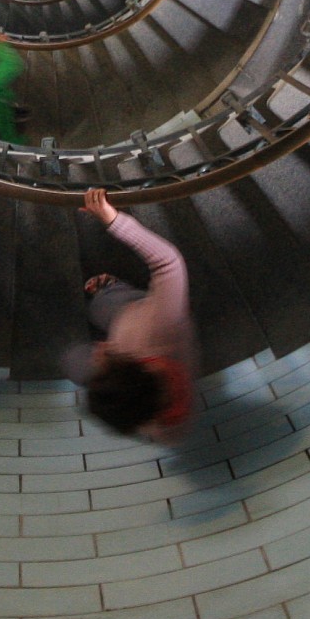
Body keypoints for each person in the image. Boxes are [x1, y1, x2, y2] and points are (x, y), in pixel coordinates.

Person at [63, 189, 198, 443]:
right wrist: (113, 221)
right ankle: (110, 288)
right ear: (147, 364)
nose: (103, 347)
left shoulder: (156, 422)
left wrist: (111, 360)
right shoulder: (165, 324)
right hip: (133, 311)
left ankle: (105, 295)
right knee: (104, 305)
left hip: (126, 325)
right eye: (112, 357)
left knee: (74, 360)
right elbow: (168, 262)